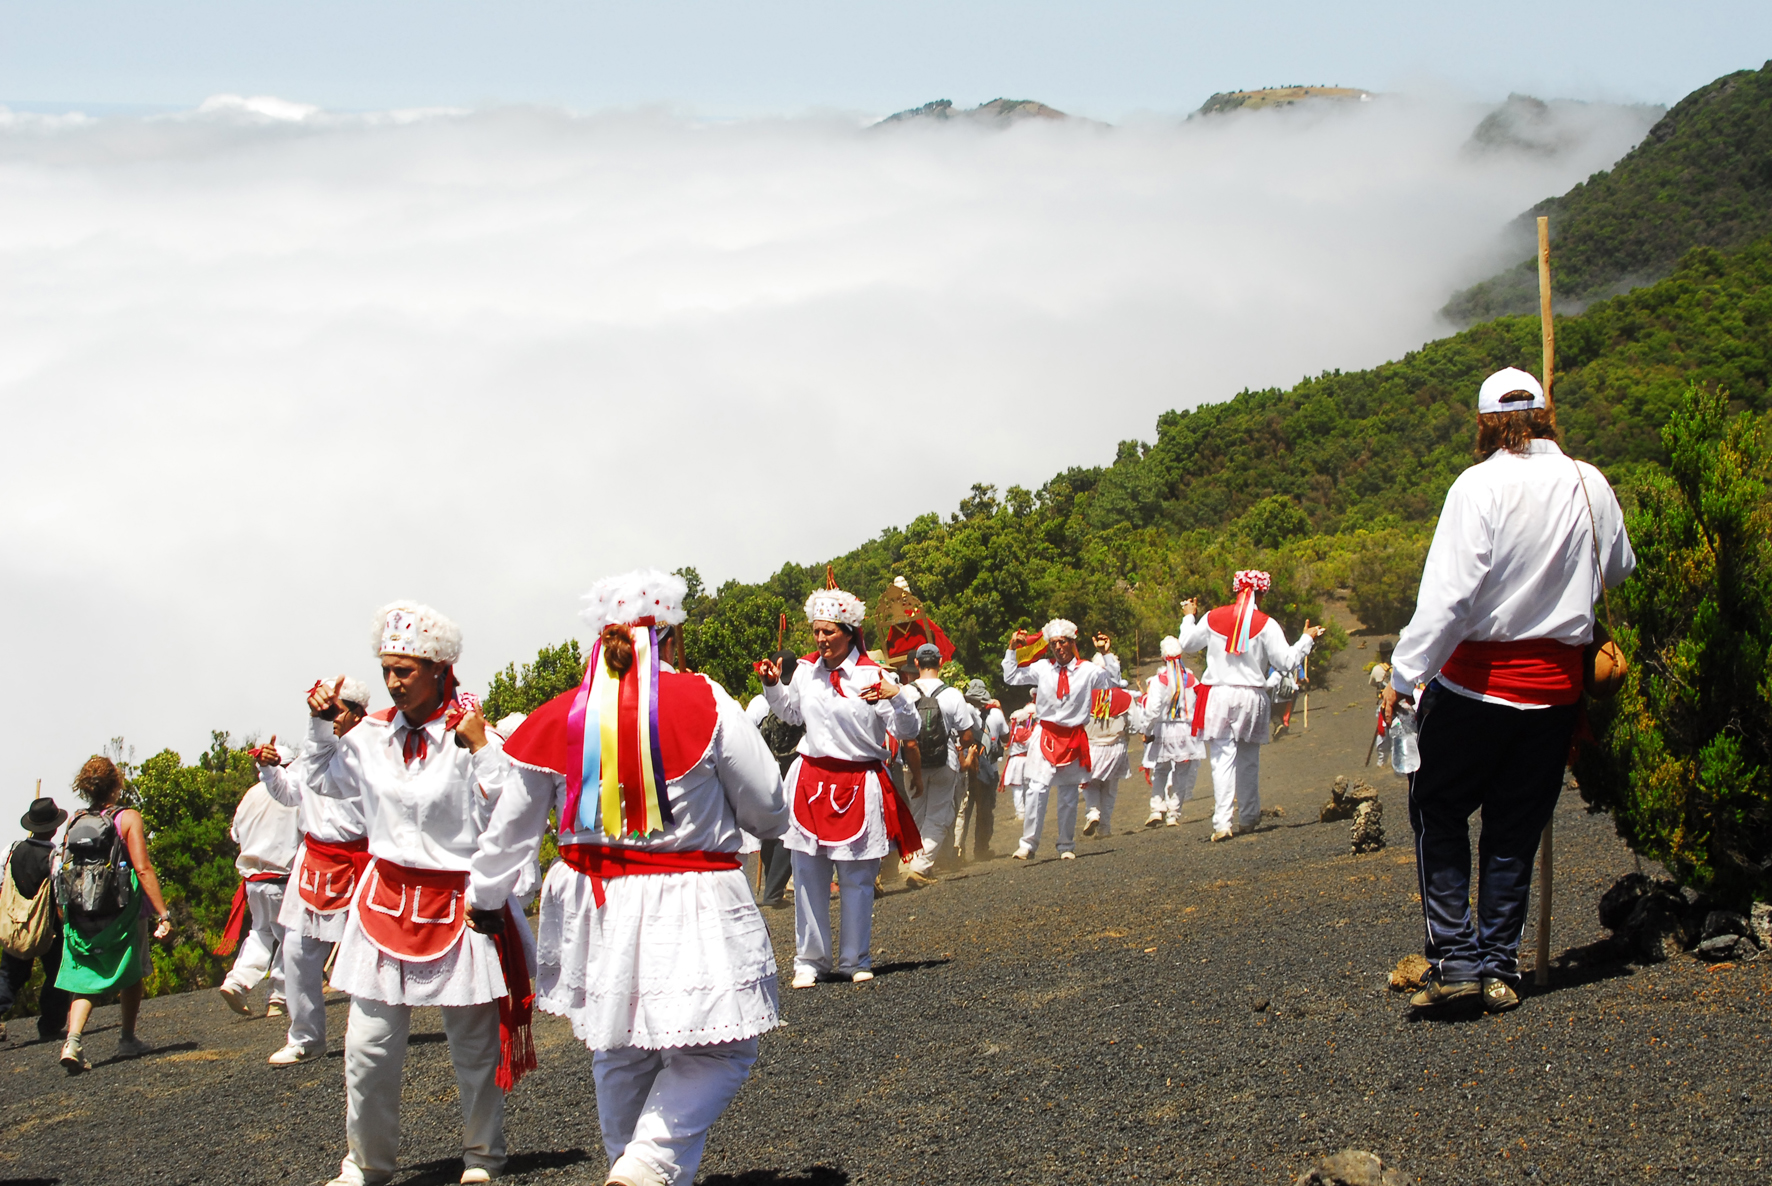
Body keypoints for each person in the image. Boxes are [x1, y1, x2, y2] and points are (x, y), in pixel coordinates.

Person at [470, 569, 788, 1186]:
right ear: (669, 637)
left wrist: (484, 897)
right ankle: (644, 1164)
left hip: (596, 902)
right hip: (692, 896)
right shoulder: (706, 700)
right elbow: (768, 806)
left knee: (620, 1048)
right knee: (721, 1050)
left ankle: (631, 1166)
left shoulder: (558, 716)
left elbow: (509, 831)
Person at [1385, 367, 1634, 1014]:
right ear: (1545, 415)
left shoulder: (1477, 485)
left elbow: (1448, 599)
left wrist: (1404, 677)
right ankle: (1499, 970)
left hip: (1475, 687)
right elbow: (1618, 568)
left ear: (1485, 424)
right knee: (1514, 829)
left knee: (1438, 810)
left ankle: (1457, 962)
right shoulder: (1589, 482)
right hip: (1555, 694)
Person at [304, 601, 527, 1186]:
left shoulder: (471, 733)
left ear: (438, 669)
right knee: (368, 1048)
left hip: (457, 904)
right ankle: (366, 1164)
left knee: (473, 1047)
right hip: (383, 902)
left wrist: (483, 749)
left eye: (404, 670)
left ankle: (483, 1156)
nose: (393, 682)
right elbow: (323, 778)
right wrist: (319, 724)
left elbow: (506, 812)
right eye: (387, 670)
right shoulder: (370, 735)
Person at [760, 586, 922, 988]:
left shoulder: (873, 676)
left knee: (857, 876)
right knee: (808, 874)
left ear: (849, 632)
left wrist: (898, 696)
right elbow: (791, 713)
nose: (820, 639)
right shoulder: (805, 671)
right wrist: (773, 686)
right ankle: (809, 961)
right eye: (816, 631)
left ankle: (855, 958)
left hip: (858, 781)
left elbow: (908, 730)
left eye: (828, 632)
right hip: (811, 779)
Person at [251, 675, 373, 1065]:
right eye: (324, 712)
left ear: (357, 714)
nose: (329, 718)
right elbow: (289, 794)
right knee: (296, 950)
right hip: (314, 862)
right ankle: (305, 1037)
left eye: (335, 711)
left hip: (361, 863)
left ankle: (369, 1035)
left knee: (367, 955)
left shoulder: (373, 752)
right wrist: (270, 770)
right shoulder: (311, 755)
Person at [1177, 573, 1323, 842]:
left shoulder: (1212, 617)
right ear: (1262, 593)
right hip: (1251, 695)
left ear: (1236, 590)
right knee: (1248, 758)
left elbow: (1187, 644)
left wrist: (1189, 616)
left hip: (1219, 693)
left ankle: (1222, 822)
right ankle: (1248, 815)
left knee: (1222, 758)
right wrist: (1306, 639)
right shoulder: (1267, 624)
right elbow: (1286, 662)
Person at [53, 757, 174, 1073]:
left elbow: (64, 867)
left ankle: (73, 1042)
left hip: (81, 911)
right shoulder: (127, 817)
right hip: (122, 911)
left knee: (84, 978)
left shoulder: (75, 821)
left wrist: (64, 911)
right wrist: (163, 913)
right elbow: (142, 868)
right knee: (131, 970)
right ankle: (127, 1038)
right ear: (116, 784)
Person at [1003, 619, 1122, 860]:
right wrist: (1012, 649)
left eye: (1063, 642)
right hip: (1046, 733)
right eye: (1054, 643)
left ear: (1072, 643)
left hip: (1073, 736)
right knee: (1036, 789)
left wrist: (1106, 654)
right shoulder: (1043, 668)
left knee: (1068, 793)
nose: (1058, 647)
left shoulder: (1087, 670)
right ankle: (1028, 844)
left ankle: (1066, 844)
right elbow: (1011, 676)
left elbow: (1113, 682)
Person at [215, 755, 301, 1019]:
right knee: (292, 937)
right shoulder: (295, 795)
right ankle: (278, 996)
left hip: (254, 881)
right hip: (284, 879)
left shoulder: (250, 795)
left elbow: (235, 834)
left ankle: (237, 981)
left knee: (261, 932)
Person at [900, 643, 979, 882]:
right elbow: (967, 736)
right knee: (939, 815)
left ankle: (911, 861)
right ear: (940, 662)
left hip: (911, 763)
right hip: (945, 761)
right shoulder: (952, 694)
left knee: (917, 813)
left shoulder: (904, 692)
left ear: (916, 663)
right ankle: (920, 866)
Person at [0, 797, 72, 1043]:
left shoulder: (11, 850)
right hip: (45, 925)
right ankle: (50, 1025)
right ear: (54, 828)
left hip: (14, 922)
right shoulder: (54, 858)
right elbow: (60, 896)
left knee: (10, 976)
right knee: (56, 973)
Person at [745, 675, 803, 908]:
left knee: (772, 828)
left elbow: (749, 737)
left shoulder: (758, 703)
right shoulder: (799, 697)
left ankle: (773, 884)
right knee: (793, 827)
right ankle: (775, 888)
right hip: (798, 769)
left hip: (769, 770)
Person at [1140, 637, 1205, 828]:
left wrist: (1146, 729)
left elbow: (1152, 710)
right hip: (1186, 730)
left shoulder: (1159, 681)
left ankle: (1156, 808)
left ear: (1162, 658)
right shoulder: (1192, 679)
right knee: (1181, 773)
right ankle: (1173, 813)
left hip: (1164, 729)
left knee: (1161, 770)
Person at [1079, 635, 1134, 840]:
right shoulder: (1124, 697)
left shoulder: (1084, 698)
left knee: (1090, 783)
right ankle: (1105, 827)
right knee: (1110, 789)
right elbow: (1136, 724)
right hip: (1116, 745)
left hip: (1092, 746)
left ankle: (1093, 812)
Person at [956, 679, 1006, 859]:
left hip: (966, 767)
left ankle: (958, 849)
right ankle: (981, 849)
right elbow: (1006, 738)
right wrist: (1000, 709)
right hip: (988, 769)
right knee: (985, 810)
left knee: (963, 809)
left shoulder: (962, 711)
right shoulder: (996, 714)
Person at [1001, 704, 1037, 821]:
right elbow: (1033, 745)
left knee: (1017, 789)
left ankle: (1020, 812)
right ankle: (1025, 811)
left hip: (1015, 761)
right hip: (1024, 760)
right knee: (1025, 787)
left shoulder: (1011, 731)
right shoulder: (1024, 732)